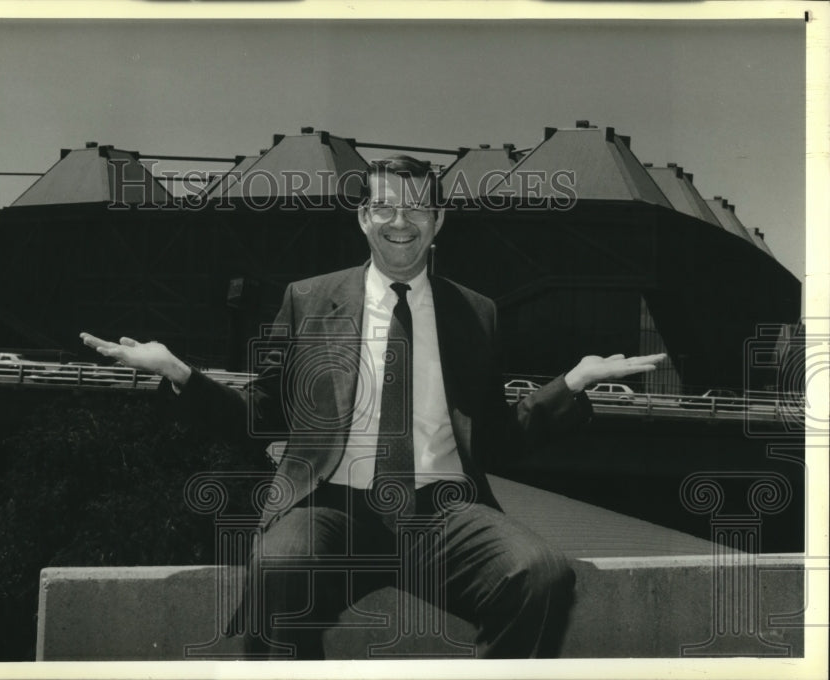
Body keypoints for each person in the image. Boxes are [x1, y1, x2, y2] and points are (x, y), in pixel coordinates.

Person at [80, 155, 666, 659]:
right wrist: (180, 373)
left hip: (441, 513)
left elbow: (496, 438)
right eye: (384, 207)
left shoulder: (477, 314)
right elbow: (262, 412)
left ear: (439, 221)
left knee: (542, 575)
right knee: (277, 569)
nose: (400, 221)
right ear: (363, 218)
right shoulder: (309, 299)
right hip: (334, 507)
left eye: (417, 209)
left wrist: (572, 383)